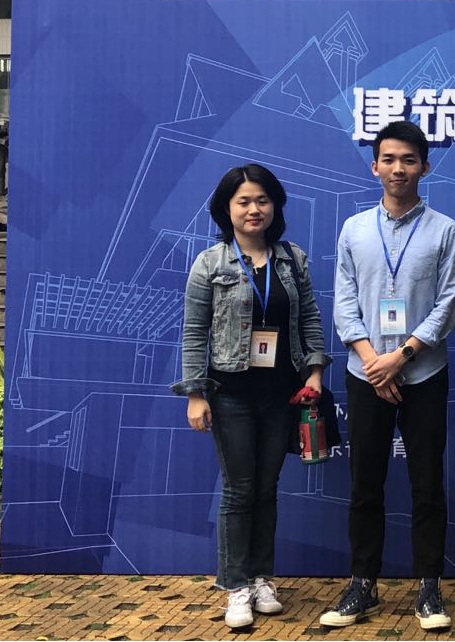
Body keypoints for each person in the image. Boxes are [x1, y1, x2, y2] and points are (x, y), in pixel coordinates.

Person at [173, 164, 328, 630]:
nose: (254, 209)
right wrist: (195, 393)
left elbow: (310, 318)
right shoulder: (210, 263)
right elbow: (194, 332)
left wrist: (315, 372)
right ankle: (235, 585)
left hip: (283, 393)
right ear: (227, 208)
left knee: (266, 488)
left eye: (262, 200)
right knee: (239, 489)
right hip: (230, 394)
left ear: (275, 205)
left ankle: (263, 579)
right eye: (243, 201)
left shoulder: (292, 259)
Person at [319, 121, 455, 632]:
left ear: (425, 166)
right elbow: (344, 301)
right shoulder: (354, 229)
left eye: (409, 160)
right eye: (389, 159)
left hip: (423, 373)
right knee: (365, 484)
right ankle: (363, 584)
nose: (398, 168)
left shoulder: (444, 229)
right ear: (375, 165)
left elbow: (448, 303)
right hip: (365, 374)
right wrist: (371, 361)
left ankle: (429, 587)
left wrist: (399, 357)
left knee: (428, 485)